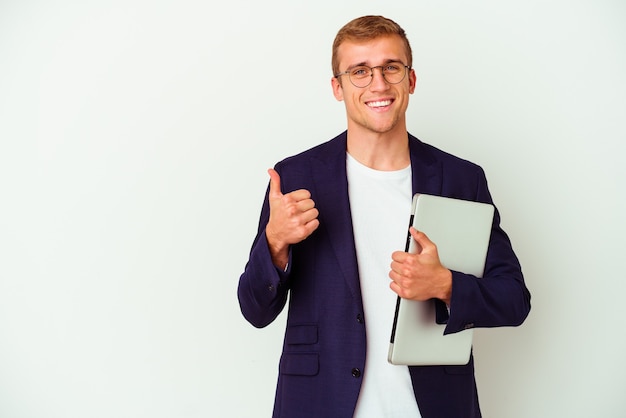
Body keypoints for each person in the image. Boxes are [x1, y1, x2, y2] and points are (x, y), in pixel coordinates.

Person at [237, 15, 531, 418]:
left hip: (435, 406)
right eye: (360, 71)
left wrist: (446, 285)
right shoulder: (295, 178)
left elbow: (515, 300)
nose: (378, 84)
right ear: (337, 88)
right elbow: (255, 310)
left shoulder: (461, 178)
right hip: (321, 404)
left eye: (391, 67)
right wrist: (274, 243)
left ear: (410, 80)